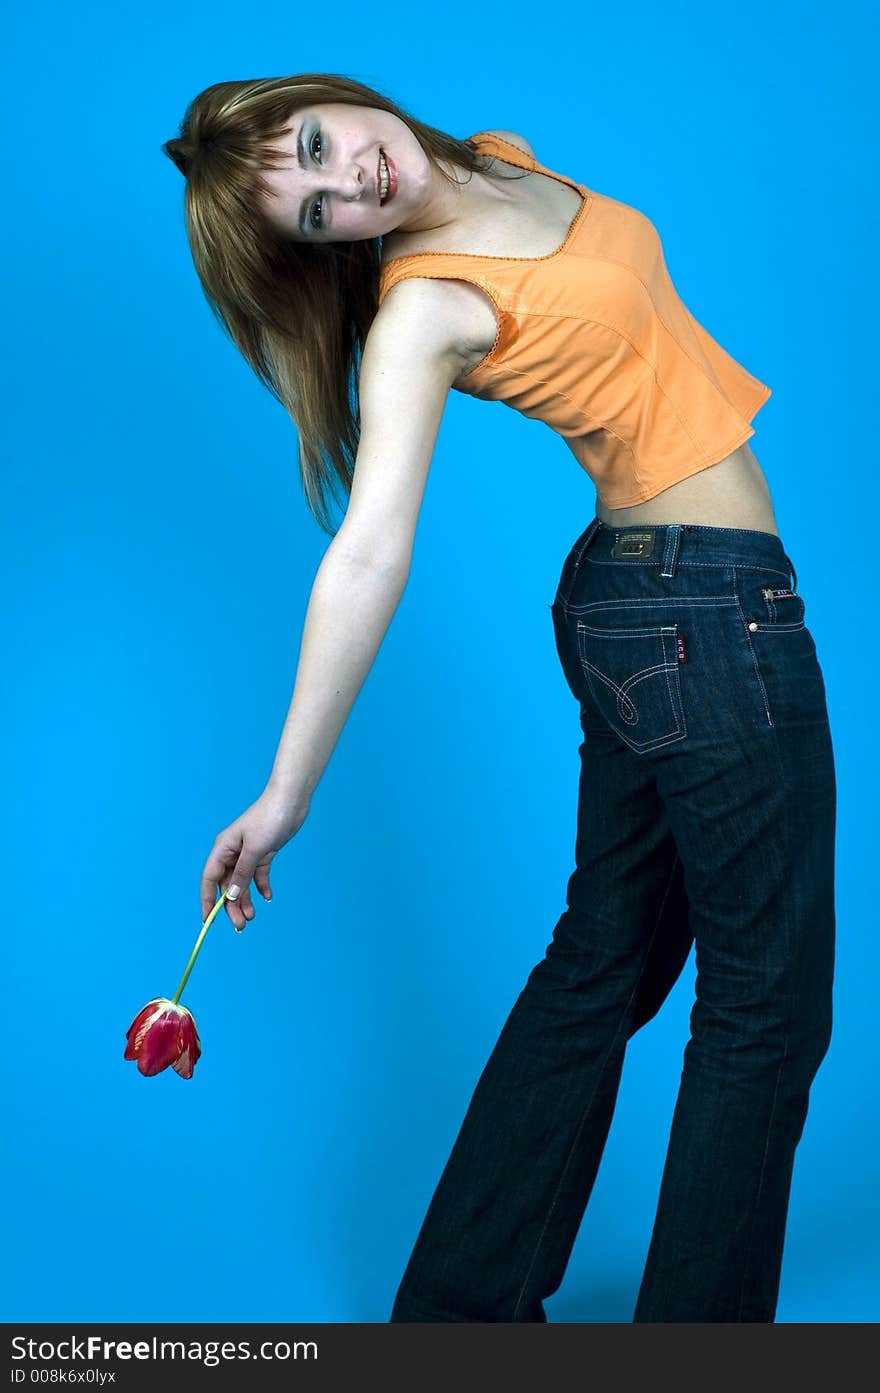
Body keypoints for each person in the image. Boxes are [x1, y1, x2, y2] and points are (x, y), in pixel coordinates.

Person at [163, 73, 836, 1323]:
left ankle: (455, 1317)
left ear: (332, 100)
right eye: (314, 213)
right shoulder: (418, 314)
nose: (345, 181)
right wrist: (286, 790)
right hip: (701, 615)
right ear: (328, 255)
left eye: (318, 145)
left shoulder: (491, 159)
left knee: (604, 959)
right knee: (766, 1003)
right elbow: (368, 547)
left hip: (644, 609)